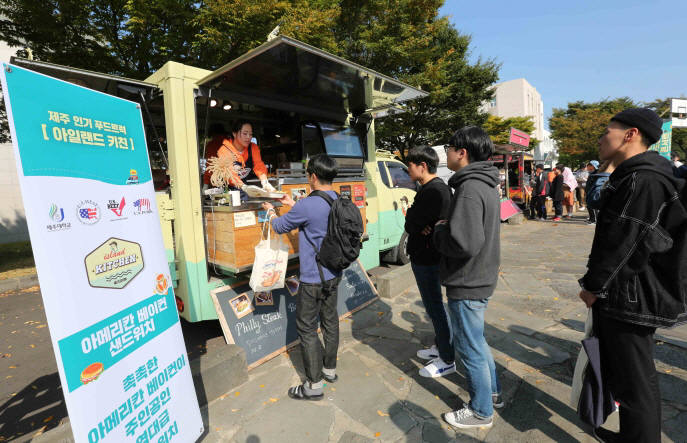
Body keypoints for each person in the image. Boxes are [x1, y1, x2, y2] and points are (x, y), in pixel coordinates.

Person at [578, 108, 687, 442]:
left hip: (632, 295)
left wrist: (594, 286)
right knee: (629, 378)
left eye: (606, 130)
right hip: (629, 293)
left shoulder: (646, 179)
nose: (600, 138)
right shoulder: (637, 174)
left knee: (637, 382)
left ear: (631, 134)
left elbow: (626, 242)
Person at [433, 126, 502, 429]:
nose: (445, 153)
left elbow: (465, 243)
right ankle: (493, 394)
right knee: (478, 342)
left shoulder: (470, 188)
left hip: (467, 280)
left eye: (448, 148)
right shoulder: (484, 183)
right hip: (480, 276)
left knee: (470, 347)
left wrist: (439, 231)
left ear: (462, 153)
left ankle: (481, 411)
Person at [262, 154, 341, 400]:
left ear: (313, 176)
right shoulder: (336, 198)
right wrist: (292, 204)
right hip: (333, 273)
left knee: (307, 328)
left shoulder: (308, 204)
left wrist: (271, 211)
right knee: (330, 320)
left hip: (312, 277)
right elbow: (315, 219)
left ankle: (313, 386)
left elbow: (279, 227)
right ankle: (329, 369)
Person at [404, 147, 454, 378]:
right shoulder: (433, 189)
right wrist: (414, 220)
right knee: (434, 306)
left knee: (434, 306)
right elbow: (414, 219)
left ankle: (447, 358)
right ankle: (441, 346)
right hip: (428, 254)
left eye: (410, 165)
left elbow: (412, 221)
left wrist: (414, 220)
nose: (407, 169)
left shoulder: (434, 191)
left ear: (422, 165)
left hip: (428, 258)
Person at [218, 120, 275, 192]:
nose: (248, 137)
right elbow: (229, 174)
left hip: (246, 188)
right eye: (245, 134)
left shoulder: (253, 147)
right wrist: (243, 187)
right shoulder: (224, 150)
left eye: (251, 134)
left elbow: (258, 165)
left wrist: (264, 182)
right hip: (230, 191)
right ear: (234, 134)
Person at [202, 123, 228, 187]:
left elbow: (209, 166)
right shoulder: (230, 143)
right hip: (230, 179)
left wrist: (206, 183)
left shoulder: (211, 145)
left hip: (216, 180)